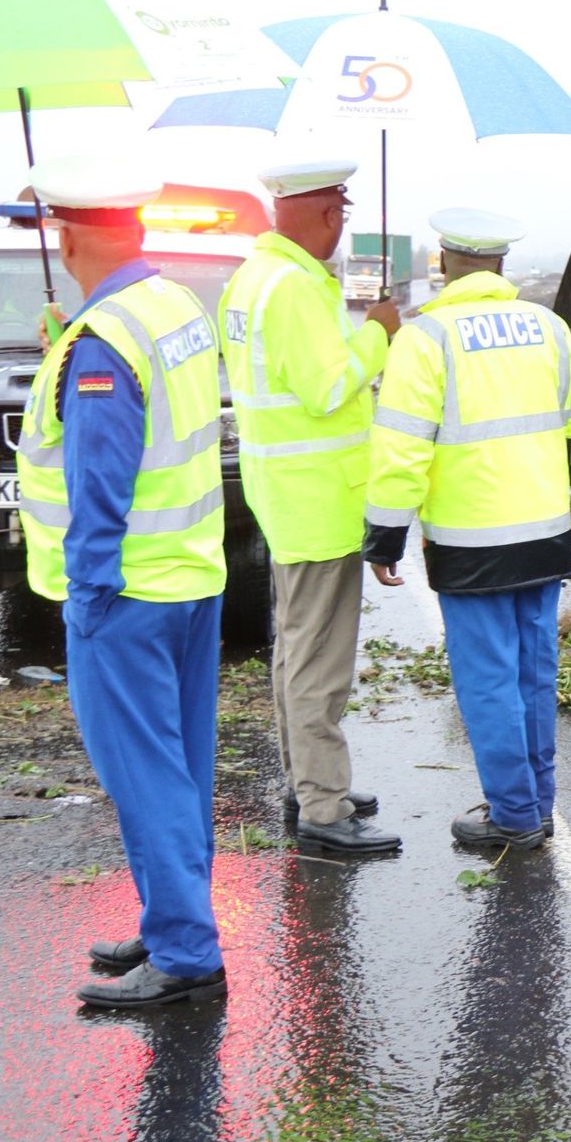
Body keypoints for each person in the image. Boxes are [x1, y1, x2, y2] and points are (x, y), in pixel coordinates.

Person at [15, 157, 228, 1008]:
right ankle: (169, 916)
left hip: (127, 592)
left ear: (67, 237)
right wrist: (70, 342)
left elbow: (99, 482)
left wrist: (90, 593)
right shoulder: (168, 304)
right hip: (188, 580)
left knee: (143, 774)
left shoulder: (104, 342)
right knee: (176, 767)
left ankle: (184, 954)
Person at [364, 209, 571, 849]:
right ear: (501, 266)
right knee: (534, 672)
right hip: (544, 535)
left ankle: (515, 816)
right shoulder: (548, 327)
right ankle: (537, 803)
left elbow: (401, 449)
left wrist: (385, 536)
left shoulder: (426, 338)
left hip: (471, 543)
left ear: (445, 265)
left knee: (488, 680)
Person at [219, 161, 401, 855]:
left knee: (296, 652)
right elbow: (329, 389)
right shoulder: (292, 287)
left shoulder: (252, 278)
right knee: (319, 662)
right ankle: (324, 809)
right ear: (328, 214)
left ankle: (308, 783)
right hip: (318, 499)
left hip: (288, 494)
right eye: (341, 216)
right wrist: (379, 331)